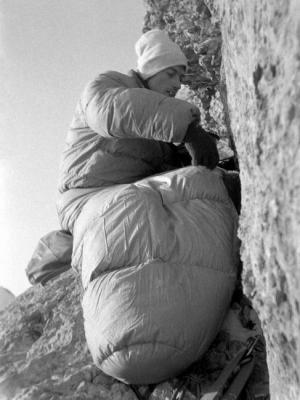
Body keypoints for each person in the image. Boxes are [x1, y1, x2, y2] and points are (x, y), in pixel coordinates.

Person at [56, 29, 239, 384]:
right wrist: (185, 128)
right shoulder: (107, 86)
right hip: (86, 199)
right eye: (171, 73)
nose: (177, 84)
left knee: (200, 183)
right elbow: (115, 111)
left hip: (130, 192)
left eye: (183, 78)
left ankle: (180, 318)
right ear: (150, 68)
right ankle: (133, 334)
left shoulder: (156, 136)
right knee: (130, 207)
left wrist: (210, 162)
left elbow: (169, 175)